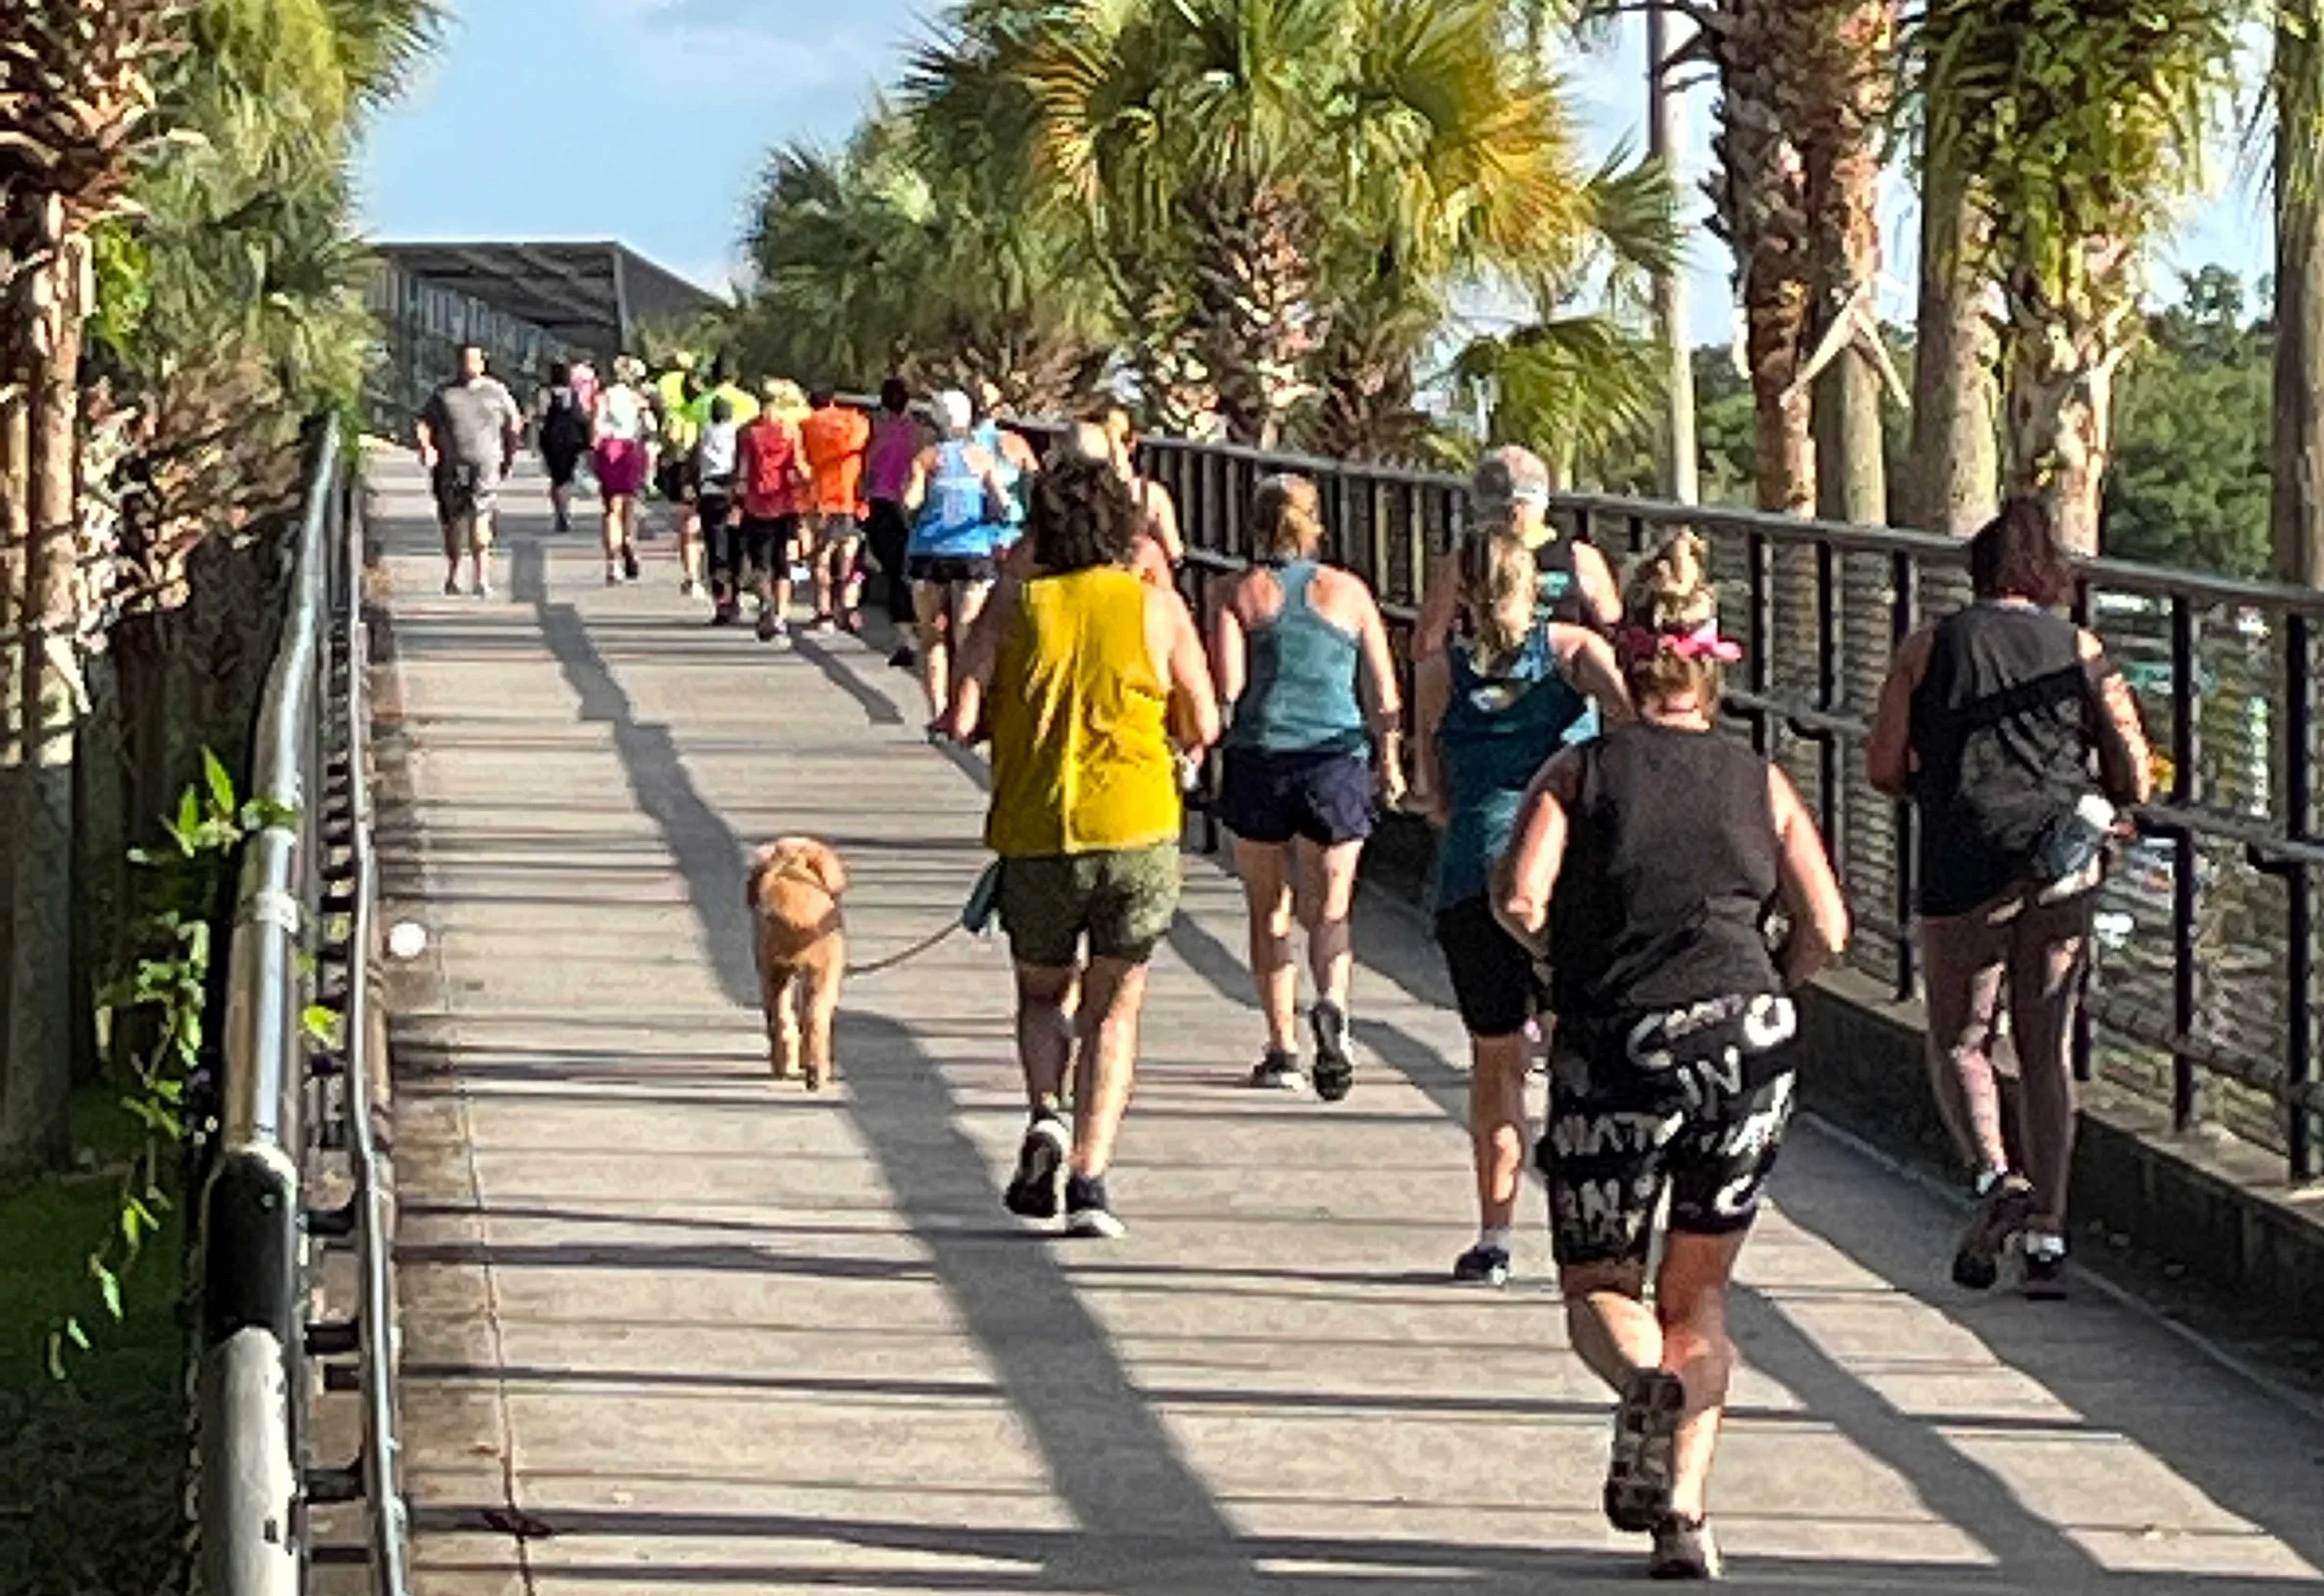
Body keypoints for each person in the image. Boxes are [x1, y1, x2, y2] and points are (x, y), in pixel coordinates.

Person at [1493, 532, 1851, 1581]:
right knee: (1699, 1293)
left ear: (1629, 658)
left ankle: (1642, 1379)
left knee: (1603, 1279)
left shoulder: (1580, 767)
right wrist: (1767, 989)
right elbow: (1827, 925)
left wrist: (1565, 960)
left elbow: (1518, 897)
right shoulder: (1760, 778)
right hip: (1747, 1036)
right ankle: (1685, 1515)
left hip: (1616, 1036)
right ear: (1709, 667)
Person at [1867, 497, 2152, 1299]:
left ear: (1979, 573)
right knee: (2045, 1049)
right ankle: (2051, 1238)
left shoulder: (1927, 647)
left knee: (1961, 1037)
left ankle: (1997, 1178)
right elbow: (2133, 765)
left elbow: (1883, 766)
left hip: (1963, 856)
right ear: (2047, 575)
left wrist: (1939, 778)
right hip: (2061, 859)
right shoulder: (2080, 648)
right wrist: (2103, 800)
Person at [941, 449, 1221, 1238]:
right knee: (1115, 1007)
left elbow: (960, 719)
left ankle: (1044, 1113)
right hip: (1135, 827)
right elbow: (1203, 721)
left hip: (1036, 831)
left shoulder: (1012, 604)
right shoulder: (1154, 607)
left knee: (1040, 994)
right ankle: (1091, 1179)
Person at [1414, 524, 1628, 1287]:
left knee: (1494, 1060)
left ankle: (1493, 1233)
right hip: (1564, 878)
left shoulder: (1440, 672)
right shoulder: (1573, 654)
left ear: (1463, 591)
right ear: (1535, 584)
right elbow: (1638, 737)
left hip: (1471, 875)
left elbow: (1430, 788)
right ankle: (1588, 1221)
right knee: (1579, 1058)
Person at [1208, 474, 1403, 1099]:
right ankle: (1334, 1007)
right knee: (1333, 906)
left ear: (1256, 524)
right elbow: (1383, 691)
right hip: (1336, 760)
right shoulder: (1349, 592)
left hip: (1261, 757)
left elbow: (1228, 688)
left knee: (1269, 908)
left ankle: (1282, 1048)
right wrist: (1390, 757)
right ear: (1316, 524)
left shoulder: (1237, 592)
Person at [1414, 445, 1622, 660]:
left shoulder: (1462, 562)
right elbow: (1614, 638)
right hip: (1555, 677)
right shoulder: (1582, 559)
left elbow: (1427, 645)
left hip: (1501, 679)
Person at [904, 389, 1011, 732]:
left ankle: (939, 711)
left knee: (932, 633)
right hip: (973, 552)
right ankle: (968, 713)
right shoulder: (982, 457)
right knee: (968, 633)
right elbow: (1002, 502)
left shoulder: (926, 458)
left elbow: (910, 502)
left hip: (929, 553)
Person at [415, 343, 522, 599]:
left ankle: (482, 577)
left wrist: (509, 455)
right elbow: (423, 422)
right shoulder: (443, 393)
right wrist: (427, 447)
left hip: (485, 464)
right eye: (465, 360)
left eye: (474, 361)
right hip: (450, 466)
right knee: (453, 521)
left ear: (484, 364)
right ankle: (453, 573)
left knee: (480, 516)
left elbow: (513, 425)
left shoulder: (497, 392)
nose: (469, 366)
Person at [730, 381, 811, 644]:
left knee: (760, 562)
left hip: (756, 503)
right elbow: (797, 467)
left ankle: (765, 601)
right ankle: (781, 617)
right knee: (783, 564)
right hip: (785, 503)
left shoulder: (747, 432)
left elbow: (742, 471)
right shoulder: (791, 431)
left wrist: (737, 500)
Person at [800, 386, 873, 632]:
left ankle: (825, 613)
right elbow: (865, 439)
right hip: (851, 500)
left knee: (821, 561)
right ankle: (849, 606)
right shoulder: (854, 422)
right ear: (832, 400)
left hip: (822, 501)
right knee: (851, 560)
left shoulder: (808, 425)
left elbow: (804, 459)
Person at [865, 377, 923, 666]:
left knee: (893, 572)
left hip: (883, 505)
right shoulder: (919, 434)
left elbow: (868, 469)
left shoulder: (878, 433)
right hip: (913, 507)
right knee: (911, 571)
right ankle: (919, 627)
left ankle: (906, 636)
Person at [1099, 404, 1185, 579]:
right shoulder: (1151, 493)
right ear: (1132, 442)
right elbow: (1173, 552)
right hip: (1136, 588)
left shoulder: (1074, 488)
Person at [592, 355, 653, 586]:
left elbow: (596, 430)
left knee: (610, 509)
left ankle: (613, 564)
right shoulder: (637, 398)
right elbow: (651, 426)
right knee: (629, 504)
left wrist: (592, 455)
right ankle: (629, 540)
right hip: (631, 449)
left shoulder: (603, 397)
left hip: (609, 450)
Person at [693, 393, 742, 611]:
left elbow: (694, 462)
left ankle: (721, 599)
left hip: (710, 491)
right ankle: (736, 593)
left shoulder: (705, 433)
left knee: (715, 546)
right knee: (736, 546)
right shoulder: (738, 433)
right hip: (733, 493)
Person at [535, 361, 592, 534]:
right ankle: (565, 508)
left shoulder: (545, 393)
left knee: (555, 478)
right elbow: (582, 416)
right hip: (572, 440)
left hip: (551, 440)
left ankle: (559, 509)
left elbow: (541, 415)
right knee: (567, 477)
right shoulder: (573, 394)